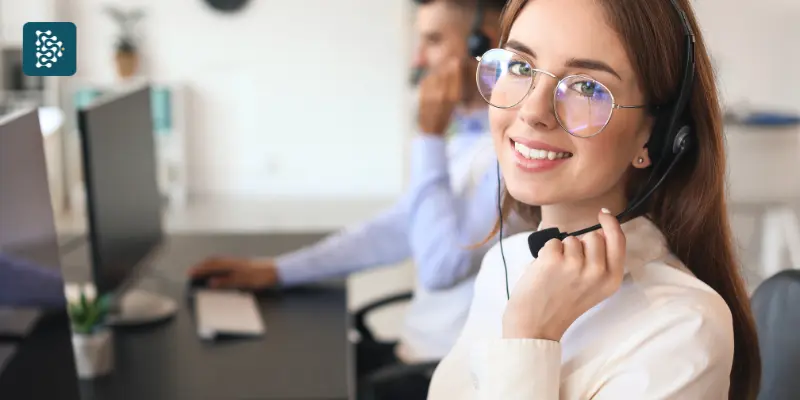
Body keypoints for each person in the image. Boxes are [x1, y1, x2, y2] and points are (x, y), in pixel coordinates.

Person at [427, 0, 761, 398]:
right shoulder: (509, 262)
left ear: (655, 135)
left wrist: (530, 335)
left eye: (586, 86)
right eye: (519, 67)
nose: (533, 111)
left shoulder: (683, 327)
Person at [189, 0, 523, 397]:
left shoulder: (513, 153)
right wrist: (276, 271)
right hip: (414, 354)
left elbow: (438, 265)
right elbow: (398, 227)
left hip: (442, 375)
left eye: (433, 40)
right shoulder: (467, 137)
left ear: (483, 41)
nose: (418, 58)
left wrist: (429, 136)